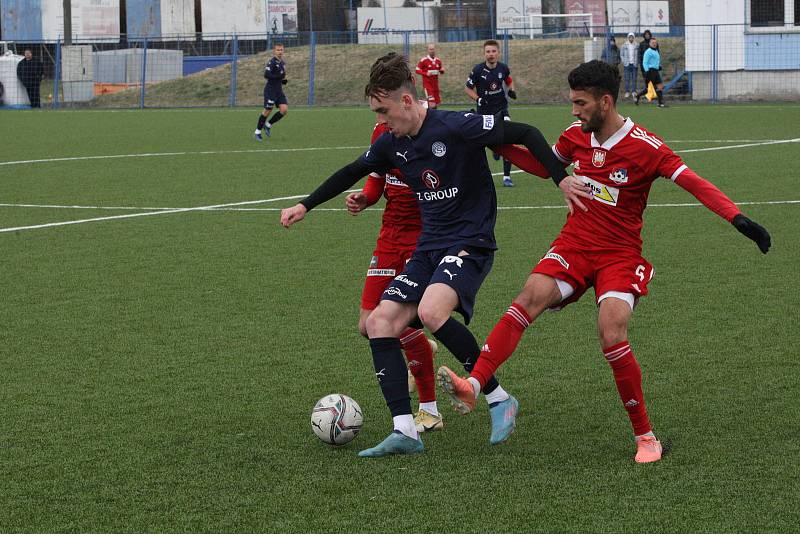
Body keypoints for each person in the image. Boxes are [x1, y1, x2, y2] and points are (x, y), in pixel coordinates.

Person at [437, 60, 771, 464]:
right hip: (575, 243)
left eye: (580, 103)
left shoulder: (647, 148)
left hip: (619, 253)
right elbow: (544, 166)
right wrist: (495, 143)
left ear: (605, 101)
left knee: (611, 330)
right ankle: (475, 384)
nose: (574, 111)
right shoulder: (576, 137)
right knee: (529, 295)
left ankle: (646, 436)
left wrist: (738, 219)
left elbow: (694, 182)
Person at [281, 53, 586, 458]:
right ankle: (405, 429)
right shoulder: (394, 142)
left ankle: (499, 399)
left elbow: (527, 133)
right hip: (430, 245)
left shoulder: (457, 126)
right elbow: (352, 171)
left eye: (383, 111)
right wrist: (306, 205)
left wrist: (561, 180)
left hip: (470, 240)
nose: (381, 121)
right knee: (379, 322)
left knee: (430, 312)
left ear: (406, 101)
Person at [345, 120, 442, 433]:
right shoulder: (380, 131)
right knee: (367, 325)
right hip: (390, 236)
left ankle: (429, 411)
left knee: (401, 319)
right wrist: (365, 198)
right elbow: (376, 180)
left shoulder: (430, 129)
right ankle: (422, 349)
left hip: (424, 238)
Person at [466, 40, 517, 187]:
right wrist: (478, 99)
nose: (491, 54)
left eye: (493, 51)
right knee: (481, 143)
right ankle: (479, 173)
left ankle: (507, 177)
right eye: (488, 52)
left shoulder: (503, 68)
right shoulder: (477, 70)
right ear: (484, 54)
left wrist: (511, 90)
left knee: (508, 140)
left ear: (498, 52)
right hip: (484, 113)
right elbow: (468, 89)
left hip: (501, 109)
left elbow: (508, 80)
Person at [254, 43, 288, 140]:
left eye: (281, 50)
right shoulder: (271, 62)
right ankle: (257, 132)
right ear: (274, 51)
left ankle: (268, 125)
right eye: (278, 50)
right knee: (267, 111)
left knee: (284, 110)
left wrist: (283, 81)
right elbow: (267, 75)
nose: (280, 52)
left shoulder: (282, 63)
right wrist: (278, 77)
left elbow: (281, 77)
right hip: (270, 91)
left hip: (279, 91)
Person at [635, 37, 665, 107]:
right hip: (650, 71)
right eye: (653, 43)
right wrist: (647, 71)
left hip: (656, 71)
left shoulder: (656, 51)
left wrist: (658, 66)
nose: (654, 44)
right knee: (649, 88)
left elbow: (655, 61)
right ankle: (637, 95)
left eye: (655, 43)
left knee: (660, 86)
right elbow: (645, 62)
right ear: (650, 44)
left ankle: (661, 103)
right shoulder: (648, 52)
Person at [415, 44, 444, 109]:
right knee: (432, 103)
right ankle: (425, 114)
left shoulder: (438, 61)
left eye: (433, 49)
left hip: (435, 86)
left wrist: (442, 70)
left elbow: (440, 70)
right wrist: (425, 73)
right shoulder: (424, 60)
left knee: (436, 103)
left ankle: (430, 115)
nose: (432, 51)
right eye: (430, 49)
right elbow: (417, 70)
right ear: (428, 50)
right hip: (428, 85)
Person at [620, 32, 638, 98]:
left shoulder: (636, 45)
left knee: (634, 79)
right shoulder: (624, 45)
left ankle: (633, 91)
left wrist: (637, 62)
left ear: (634, 37)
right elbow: (621, 55)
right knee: (627, 79)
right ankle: (627, 92)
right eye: (630, 37)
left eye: (632, 37)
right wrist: (624, 61)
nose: (631, 38)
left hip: (634, 64)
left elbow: (638, 54)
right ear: (628, 38)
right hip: (627, 64)